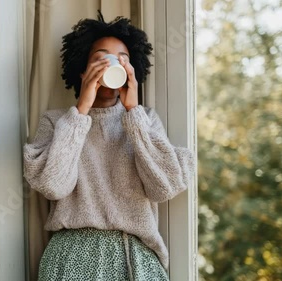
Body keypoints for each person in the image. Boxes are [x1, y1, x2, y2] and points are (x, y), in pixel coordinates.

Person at [23, 11, 195, 281]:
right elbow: (52, 185)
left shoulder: (145, 120)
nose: (113, 65)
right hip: (71, 259)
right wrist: (81, 111)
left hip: (135, 259)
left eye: (123, 60)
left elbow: (166, 186)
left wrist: (133, 113)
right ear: (82, 69)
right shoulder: (57, 122)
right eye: (101, 58)